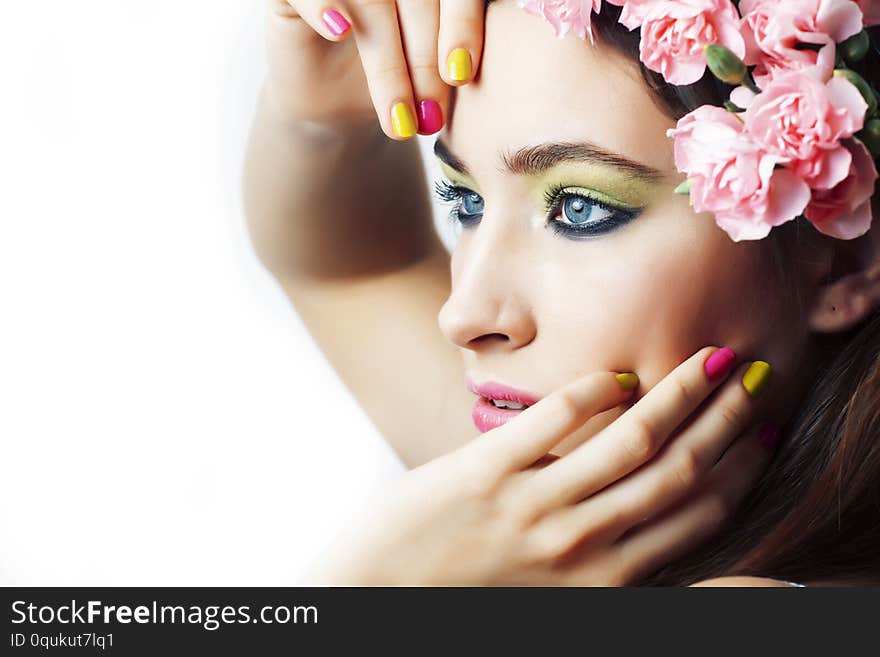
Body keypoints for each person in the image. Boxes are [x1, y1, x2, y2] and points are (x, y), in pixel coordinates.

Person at [243, 0, 880, 585]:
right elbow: (356, 268)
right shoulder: (550, 518)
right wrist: (324, 109)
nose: (462, 315)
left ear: (847, 257)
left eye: (579, 208)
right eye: (464, 200)